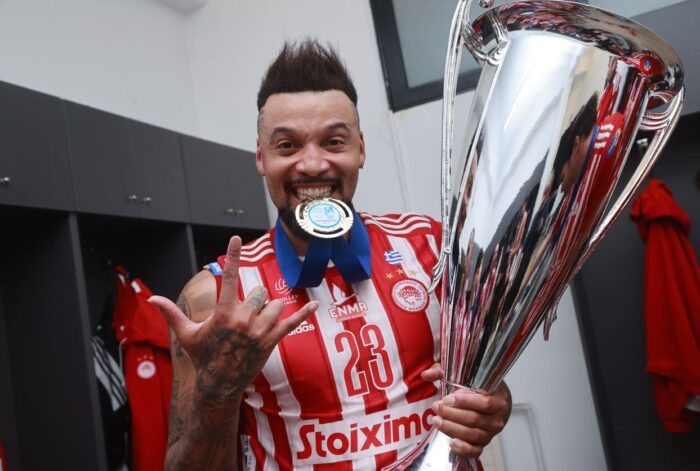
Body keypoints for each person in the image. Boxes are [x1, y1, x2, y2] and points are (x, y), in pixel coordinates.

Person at [149, 39, 512, 470]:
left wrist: (493, 408)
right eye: (287, 146)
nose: (312, 164)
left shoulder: (432, 248)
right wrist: (217, 394)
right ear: (261, 158)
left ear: (360, 149)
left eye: (334, 142)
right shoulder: (213, 297)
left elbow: (489, 390)